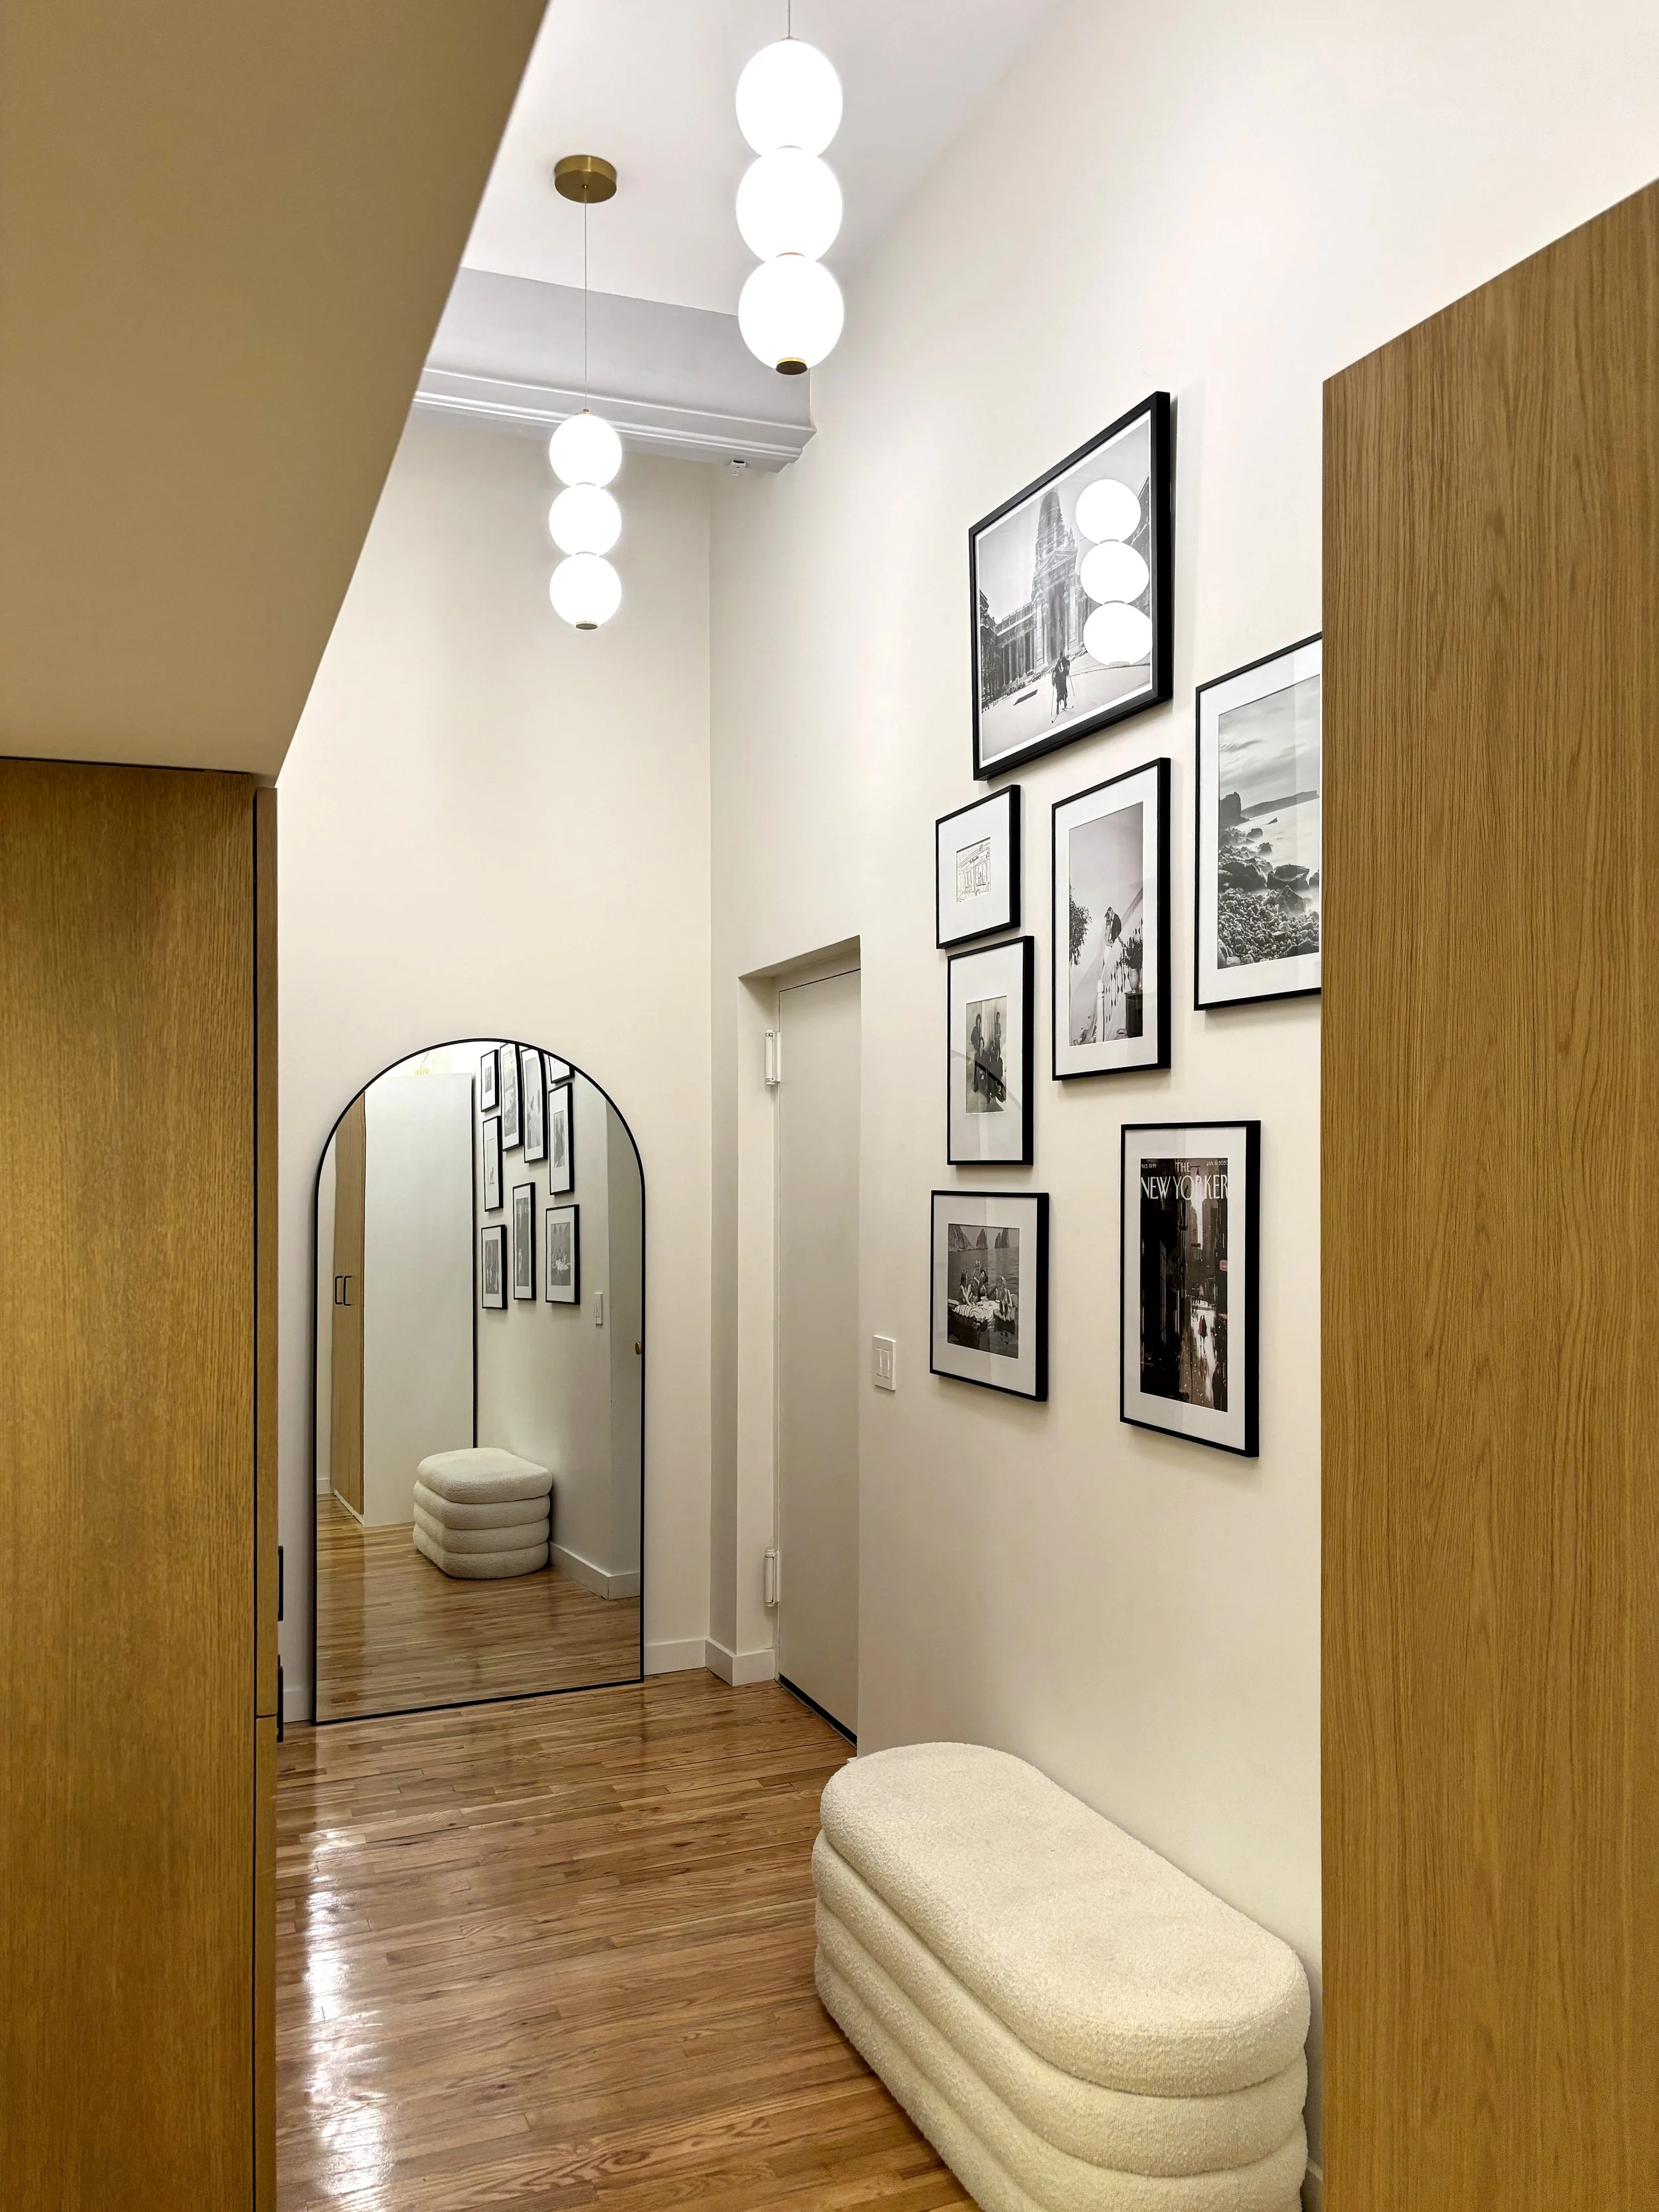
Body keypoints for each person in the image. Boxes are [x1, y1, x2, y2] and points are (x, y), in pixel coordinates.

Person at [1052, 650, 1071, 717]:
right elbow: (1055, 671)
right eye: (1060, 657)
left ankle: (1065, 703)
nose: (1060, 658)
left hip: (1063, 679)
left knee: (1064, 692)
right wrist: (1054, 677)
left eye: (1061, 656)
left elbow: (1068, 663)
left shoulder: (1065, 660)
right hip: (1058, 681)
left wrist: (1067, 667)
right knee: (1058, 693)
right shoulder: (1058, 663)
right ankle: (1057, 708)